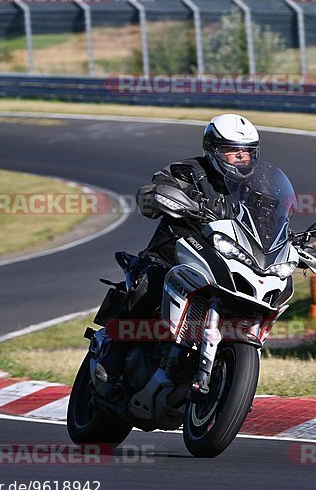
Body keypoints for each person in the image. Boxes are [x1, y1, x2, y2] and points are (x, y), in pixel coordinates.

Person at [93, 113, 260, 392]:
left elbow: (272, 226)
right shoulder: (187, 171)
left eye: (247, 152)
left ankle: (230, 377)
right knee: (151, 283)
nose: (241, 158)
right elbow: (148, 197)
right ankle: (113, 352)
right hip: (172, 255)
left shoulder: (255, 192)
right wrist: (163, 197)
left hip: (224, 265)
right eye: (233, 151)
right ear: (214, 149)